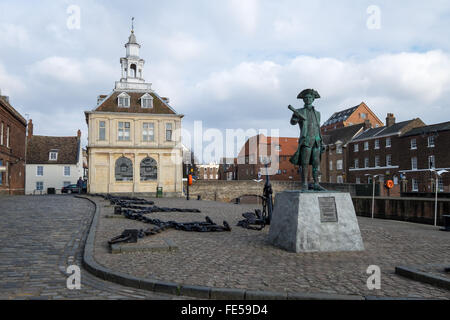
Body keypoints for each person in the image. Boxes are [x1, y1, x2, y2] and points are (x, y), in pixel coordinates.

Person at [288, 89, 325, 191]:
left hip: (317, 141)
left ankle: (316, 183)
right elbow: (292, 122)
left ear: (313, 99)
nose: (308, 99)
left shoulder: (318, 113)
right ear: (303, 100)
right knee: (304, 164)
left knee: (315, 164)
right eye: (306, 98)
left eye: (310, 98)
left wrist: (322, 142)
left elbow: (318, 128)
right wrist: (295, 117)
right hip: (306, 140)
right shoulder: (300, 111)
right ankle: (304, 184)